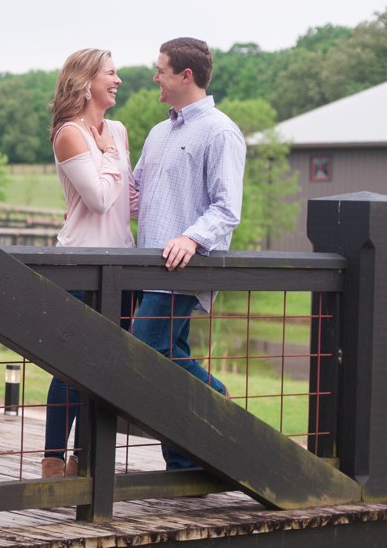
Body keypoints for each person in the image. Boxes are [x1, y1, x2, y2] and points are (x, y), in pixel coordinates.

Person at [131, 36, 246, 471]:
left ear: (186, 75)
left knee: (143, 358)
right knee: (171, 361)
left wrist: (192, 238)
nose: (155, 77)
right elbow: (138, 192)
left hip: (182, 267)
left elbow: (227, 207)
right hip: (146, 269)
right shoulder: (159, 132)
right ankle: (184, 463)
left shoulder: (220, 131)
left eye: (160, 69)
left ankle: (217, 399)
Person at [41, 48, 136, 479]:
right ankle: (53, 459)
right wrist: (109, 154)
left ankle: (85, 457)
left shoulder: (117, 128)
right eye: (111, 74)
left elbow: (125, 200)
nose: (118, 81)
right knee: (73, 364)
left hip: (120, 260)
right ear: (86, 81)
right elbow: (98, 201)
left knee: (106, 367)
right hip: (81, 260)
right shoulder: (70, 133)